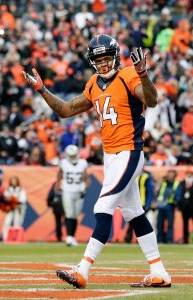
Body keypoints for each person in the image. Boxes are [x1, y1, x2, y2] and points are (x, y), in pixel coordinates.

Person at [22, 34, 171, 288]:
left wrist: (143, 73)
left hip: (129, 151)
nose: (103, 64)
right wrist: (42, 90)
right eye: (98, 60)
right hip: (111, 156)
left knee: (102, 209)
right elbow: (66, 110)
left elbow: (152, 100)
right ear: (92, 61)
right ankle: (159, 271)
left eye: (106, 59)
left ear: (115, 56)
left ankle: (83, 269)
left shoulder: (127, 75)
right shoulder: (93, 83)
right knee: (134, 213)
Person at [55, 145, 90, 246]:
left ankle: (72, 236)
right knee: (69, 213)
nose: (72, 157)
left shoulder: (83, 163)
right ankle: (69, 237)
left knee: (75, 214)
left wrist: (85, 188)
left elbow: (86, 178)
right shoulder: (64, 163)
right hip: (67, 190)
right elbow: (58, 177)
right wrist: (57, 191)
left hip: (78, 191)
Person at [125, 168, 155, 243]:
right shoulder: (134, 175)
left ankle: (142, 239)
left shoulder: (146, 177)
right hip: (134, 203)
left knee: (141, 222)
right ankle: (128, 238)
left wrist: (148, 204)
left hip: (143, 203)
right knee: (132, 221)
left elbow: (150, 192)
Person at [156, 170, 180, 244]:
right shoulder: (163, 184)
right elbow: (158, 193)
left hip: (170, 206)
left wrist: (176, 201)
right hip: (161, 206)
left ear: (174, 176)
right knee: (159, 223)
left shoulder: (176, 184)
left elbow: (178, 195)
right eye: (169, 175)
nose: (170, 176)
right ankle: (160, 239)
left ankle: (169, 239)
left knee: (170, 224)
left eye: (171, 175)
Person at [1, 176, 27, 240]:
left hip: (18, 209)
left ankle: (16, 238)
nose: (13, 182)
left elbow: (23, 199)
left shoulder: (21, 190)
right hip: (10, 209)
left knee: (17, 223)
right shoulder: (8, 190)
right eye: (12, 181)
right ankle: (5, 238)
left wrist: (16, 202)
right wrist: (10, 203)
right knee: (7, 222)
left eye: (15, 181)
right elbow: (5, 198)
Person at [178, 169, 193, 244]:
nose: (189, 175)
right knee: (185, 223)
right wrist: (179, 205)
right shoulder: (182, 183)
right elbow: (179, 194)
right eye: (188, 173)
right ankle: (185, 239)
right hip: (184, 207)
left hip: (192, 206)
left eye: (190, 173)